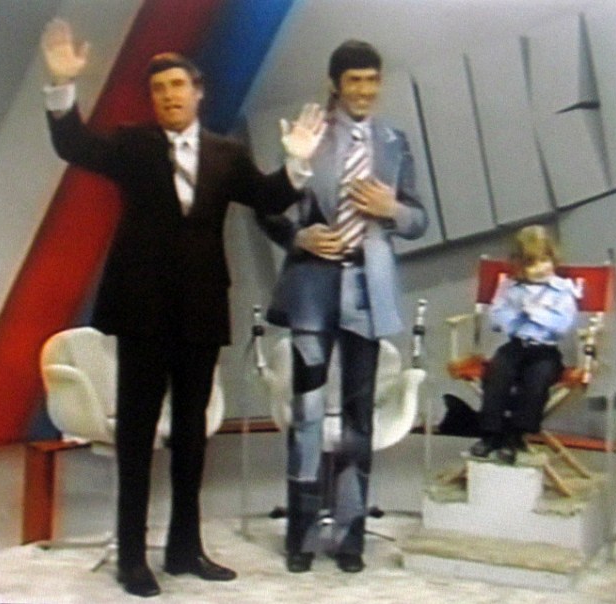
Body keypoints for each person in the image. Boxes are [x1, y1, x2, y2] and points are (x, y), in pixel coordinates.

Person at [40, 18, 325, 598]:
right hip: (140, 310)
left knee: (192, 438)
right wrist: (63, 88)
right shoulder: (131, 145)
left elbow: (269, 197)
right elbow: (74, 145)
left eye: (177, 86)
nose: (168, 96)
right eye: (158, 89)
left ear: (198, 92)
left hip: (200, 310)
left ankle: (185, 548)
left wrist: (296, 164)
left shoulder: (227, 154)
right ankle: (132, 556)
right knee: (137, 436)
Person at [256, 40, 427, 574]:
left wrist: (393, 209)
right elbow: (268, 208)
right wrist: (298, 237)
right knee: (307, 414)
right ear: (336, 84)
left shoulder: (394, 141)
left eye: (372, 80)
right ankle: (302, 535)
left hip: (366, 292)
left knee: (358, 417)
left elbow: (419, 220)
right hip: (313, 289)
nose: (364, 91)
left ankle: (351, 536)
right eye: (355, 81)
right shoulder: (311, 135)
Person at [469, 225, 578, 465]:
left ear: (553, 258)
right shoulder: (510, 288)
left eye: (545, 260)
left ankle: (515, 435)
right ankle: (490, 434)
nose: (540, 268)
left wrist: (536, 313)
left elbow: (563, 324)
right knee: (497, 374)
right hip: (516, 345)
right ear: (519, 265)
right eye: (531, 263)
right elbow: (497, 316)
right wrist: (517, 318)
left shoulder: (562, 290)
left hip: (545, 351)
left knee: (536, 382)